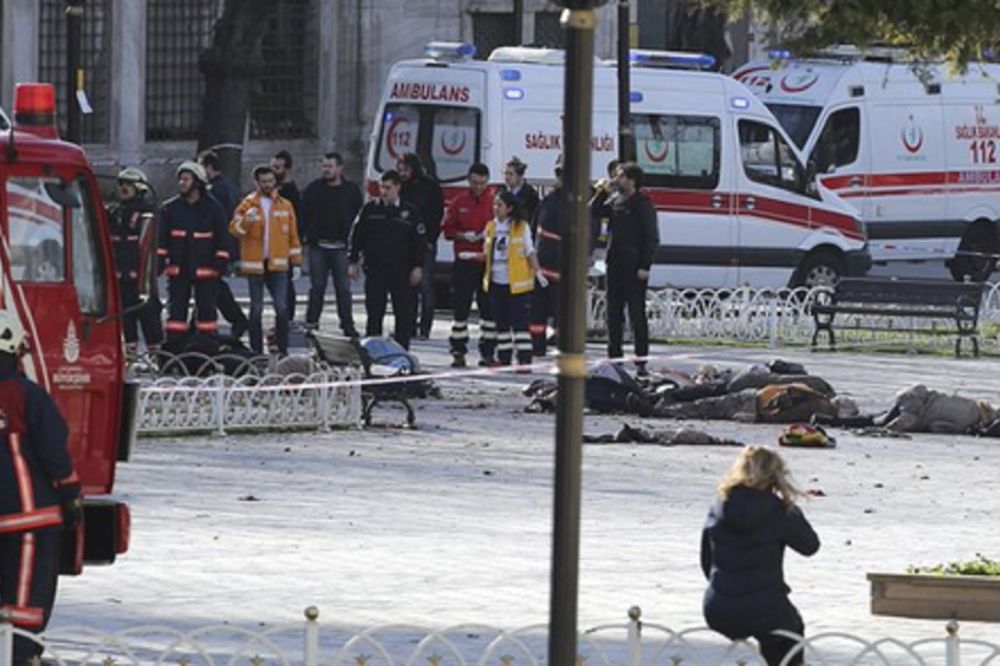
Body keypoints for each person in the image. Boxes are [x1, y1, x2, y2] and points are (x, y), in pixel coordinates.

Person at [0, 309, 82, 665]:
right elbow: (53, 450)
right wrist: (71, 496)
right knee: (24, 604)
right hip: (29, 519)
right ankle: (19, 658)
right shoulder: (24, 394)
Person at [701, 446, 818, 666]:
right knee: (789, 630)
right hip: (765, 608)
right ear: (775, 477)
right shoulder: (778, 510)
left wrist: (725, 589)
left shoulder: (719, 504)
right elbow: (810, 546)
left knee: (772, 624)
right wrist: (790, 508)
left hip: (718, 607)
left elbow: (707, 559)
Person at [230, 164, 304, 356]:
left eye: (270, 181)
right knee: (256, 310)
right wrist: (247, 220)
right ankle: (256, 351)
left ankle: (282, 349)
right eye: (264, 182)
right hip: (256, 266)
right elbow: (235, 230)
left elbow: (293, 236)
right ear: (256, 183)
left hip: (278, 264)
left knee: (282, 308)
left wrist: (296, 262)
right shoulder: (247, 204)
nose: (268, 185)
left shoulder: (285, 205)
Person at [348, 170, 426, 350]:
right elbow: (356, 236)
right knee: (374, 314)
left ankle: (401, 353)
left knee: (403, 315)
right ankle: (372, 352)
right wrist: (353, 260)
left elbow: (420, 242)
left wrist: (418, 266)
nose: (383, 192)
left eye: (388, 188)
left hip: (402, 270)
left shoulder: (410, 212)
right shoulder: (370, 210)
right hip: (376, 269)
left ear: (398, 188)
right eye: (381, 187)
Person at [160, 161, 231, 340]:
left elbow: (223, 238)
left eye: (186, 179)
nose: (181, 183)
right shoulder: (170, 208)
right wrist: (160, 260)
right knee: (176, 313)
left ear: (198, 182)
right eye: (180, 180)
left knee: (207, 312)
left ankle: (207, 347)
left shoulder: (214, 208)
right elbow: (161, 239)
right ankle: (175, 349)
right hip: (179, 269)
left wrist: (221, 260)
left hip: (206, 269)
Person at [605, 162, 658, 376]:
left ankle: (641, 360)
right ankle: (614, 357)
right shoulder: (615, 200)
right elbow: (592, 211)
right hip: (615, 263)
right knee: (613, 313)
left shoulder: (643, 203)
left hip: (634, 265)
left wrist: (645, 265)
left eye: (621, 176)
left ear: (632, 180)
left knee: (636, 314)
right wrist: (602, 192)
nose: (617, 180)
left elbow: (651, 236)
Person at [302, 152, 363, 337]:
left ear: (340, 168)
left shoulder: (351, 191)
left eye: (330, 166)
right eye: (324, 166)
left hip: (342, 247)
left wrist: (356, 252)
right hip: (319, 246)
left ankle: (347, 324)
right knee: (317, 287)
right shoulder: (314, 189)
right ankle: (312, 322)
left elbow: (359, 220)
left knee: (343, 289)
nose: (326, 170)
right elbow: (304, 214)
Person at [442, 163, 497, 368]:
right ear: (468, 180)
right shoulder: (459, 202)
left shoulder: (493, 203)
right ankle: (458, 351)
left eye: (482, 183)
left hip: (486, 263)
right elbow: (447, 229)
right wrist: (462, 234)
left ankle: (488, 352)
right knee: (460, 310)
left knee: (489, 310)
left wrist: (487, 235)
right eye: (475, 183)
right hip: (464, 261)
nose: (479, 187)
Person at [482, 190, 546, 367]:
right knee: (501, 324)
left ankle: (524, 360)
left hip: (517, 285)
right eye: (494, 204)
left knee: (520, 325)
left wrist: (538, 272)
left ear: (509, 208)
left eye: (500, 205)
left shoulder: (521, 226)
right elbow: (487, 253)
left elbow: (530, 251)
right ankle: (504, 358)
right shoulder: (490, 227)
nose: (495, 208)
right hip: (496, 282)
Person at [106, 167, 163, 355]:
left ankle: (156, 356)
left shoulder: (148, 213)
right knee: (125, 318)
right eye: (120, 183)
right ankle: (129, 356)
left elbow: (148, 245)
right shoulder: (113, 212)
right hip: (119, 276)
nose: (122, 187)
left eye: (127, 184)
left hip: (141, 276)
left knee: (149, 315)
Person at [199, 149, 248, 340]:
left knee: (213, 285)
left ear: (209, 168)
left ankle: (236, 318)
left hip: (216, 246)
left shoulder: (216, 190)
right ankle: (232, 319)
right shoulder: (226, 186)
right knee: (212, 285)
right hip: (221, 245)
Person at [397, 153, 444, 340]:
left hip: (425, 243)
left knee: (425, 287)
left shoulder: (429, 186)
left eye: (405, 170)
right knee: (407, 288)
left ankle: (425, 328)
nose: (402, 174)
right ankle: (408, 325)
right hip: (404, 245)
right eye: (400, 170)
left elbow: (436, 214)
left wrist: (430, 239)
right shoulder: (401, 187)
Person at [529, 157, 563, 356]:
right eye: (557, 173)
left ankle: (561, 345)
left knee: (561, 310)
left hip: (562, 264)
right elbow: (535, 229)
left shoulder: (577, 202)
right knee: (537, 309)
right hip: (541, 262)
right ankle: (537, 346)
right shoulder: (548, 200)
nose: (559, 178)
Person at [272, 150, 303, 323]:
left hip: (285, 247)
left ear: (287, 169)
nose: (274, 170)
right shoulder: (271, 190)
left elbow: (296, 224)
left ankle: (286, 320)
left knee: (285, 287)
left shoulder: (291, 193)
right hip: (271, 246)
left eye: (277, 167)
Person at [499, 156, 540, 228]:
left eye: (511, 174)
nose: (507, 177)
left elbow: (534, 218)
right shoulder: (502, 192)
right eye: (506, 173)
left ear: (520, 176)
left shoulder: (531, 194)